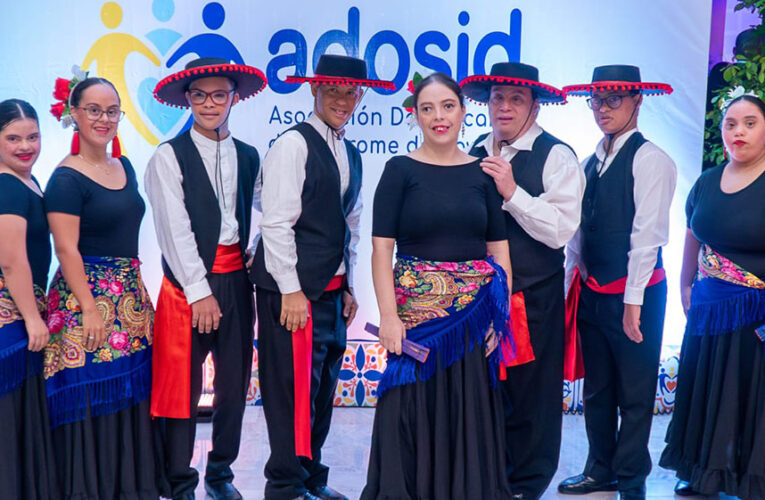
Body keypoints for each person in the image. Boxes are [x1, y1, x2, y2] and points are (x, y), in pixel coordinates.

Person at [360, 72, 514, 500]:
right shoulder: (398, 171)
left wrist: (498, 322)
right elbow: (380, 251)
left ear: (464, 112)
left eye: (447, 106)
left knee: (466, 415)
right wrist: (388, 317)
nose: (438, 117)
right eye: (427, 108)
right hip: (414, 324)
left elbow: (499, 253)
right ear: (415, 115)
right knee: (406, 414)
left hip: (470, 322)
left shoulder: (483, 175)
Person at [251, 54, 393, 500]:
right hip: (292, 294)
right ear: (314, 91)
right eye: (332, 90)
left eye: (350, 91)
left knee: (321, 391)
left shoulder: (350, 151)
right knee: (290, 395)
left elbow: (347, 224)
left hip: (330, 294)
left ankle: (311, 478)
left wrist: (348, 282)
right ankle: (285, 486)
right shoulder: (292, 145)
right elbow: (274, 224)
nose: (342, 99)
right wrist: (291, 291)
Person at [461, 62, 584, 500]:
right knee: (486, 392)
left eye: (516, 99)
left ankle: (525, 487)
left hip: (531, 301)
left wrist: (514, 194)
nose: (505, 107)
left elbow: (561, 230)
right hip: (479, 301)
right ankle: (488, 477)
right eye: (498, 97)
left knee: (532, 396)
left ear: (534, 106)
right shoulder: (475, 149)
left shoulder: (557, 155)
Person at [146, 57, 266, 500]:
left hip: (238, 282)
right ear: (188, 99)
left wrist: (260, 254)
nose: (209, 103)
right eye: (200, 95)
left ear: (234, 97)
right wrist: (199, 292)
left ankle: (221, 472)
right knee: (183, 386)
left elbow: (273, 212)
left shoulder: (249, 155)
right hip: (187, 286)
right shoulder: (168, 156)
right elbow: (173, 231)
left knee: (234, 385)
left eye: (219, 94)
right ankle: (178, 479)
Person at [558, 65, 676, 500]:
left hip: (637, 296)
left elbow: (648, 236)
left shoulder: (651, 160)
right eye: (597, 100)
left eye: (614, 100)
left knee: (636, 390)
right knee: (599, 388)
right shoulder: (590, 161)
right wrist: (576, 271)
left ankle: (631, 479)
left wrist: (633, 302)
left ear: (636, 101)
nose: (603, 109)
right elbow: (578, 229)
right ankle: (600, 469)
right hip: (594, 294)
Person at [44, 76, 156, 499]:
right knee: (91, 401)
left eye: (112, 111)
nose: (103, 119)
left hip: (130, 302)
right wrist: (90, 309)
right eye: (93, 110)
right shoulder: (65, 179)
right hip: (84, 303)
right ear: (73, 114)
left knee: (128, 399)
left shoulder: (123, 166)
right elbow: (65, 249)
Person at [659, 91, 765, 499]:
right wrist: (686, 287)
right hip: (707, 313)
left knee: (747, 398)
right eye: (730, 124)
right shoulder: (706, 181)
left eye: (750, 123)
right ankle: (704, 472)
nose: (737, 132)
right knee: (705, 393)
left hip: (755, 318)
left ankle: (748, 480)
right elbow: (692, 235)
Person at [0, 99, 58, 500]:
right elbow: (10, 259)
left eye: (33, 136)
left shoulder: (26, 180)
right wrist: (33, 318)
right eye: (13, 138)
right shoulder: (6, 185)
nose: (26, 146)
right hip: (12, 319)